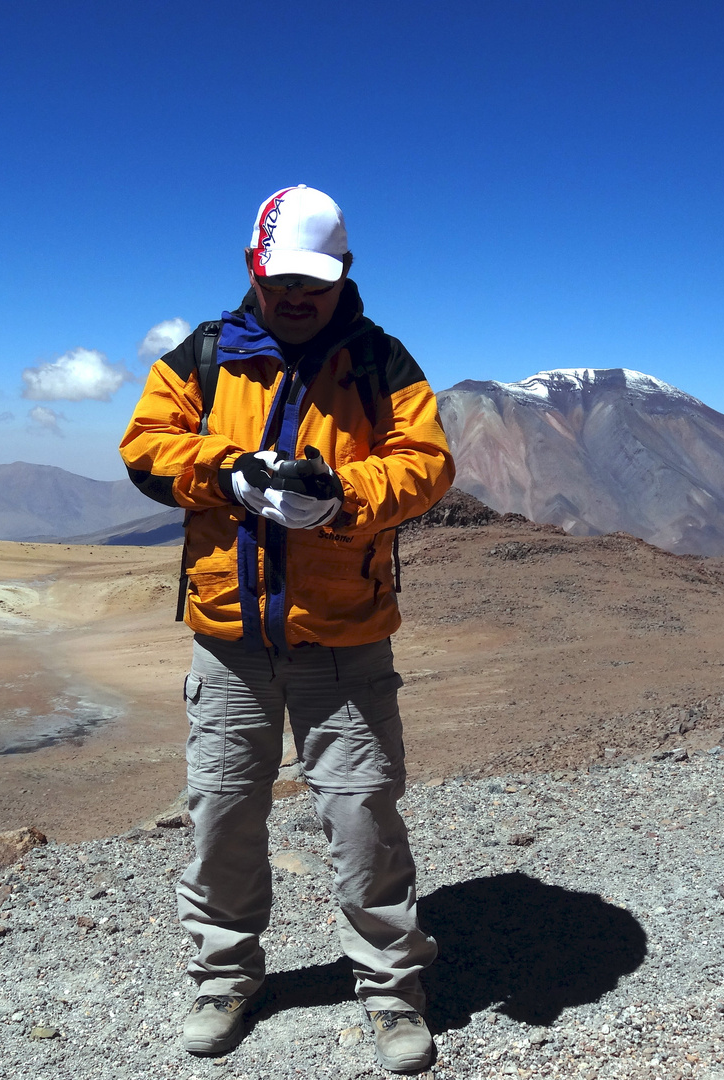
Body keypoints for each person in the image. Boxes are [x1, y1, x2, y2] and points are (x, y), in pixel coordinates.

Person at [119, 185, 454, 1073]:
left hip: (343, 634)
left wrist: (342, 495)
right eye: (282, 279)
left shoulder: (379, 361)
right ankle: (225, 977)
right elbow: (145, 446)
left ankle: (390, 990)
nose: (298, 296)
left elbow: (426, 465)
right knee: (223, 812)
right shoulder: (202, 356)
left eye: (316, 279)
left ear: (343, 273)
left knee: (362, 815)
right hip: (229, 637)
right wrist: (226, 472)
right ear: (252, 268)